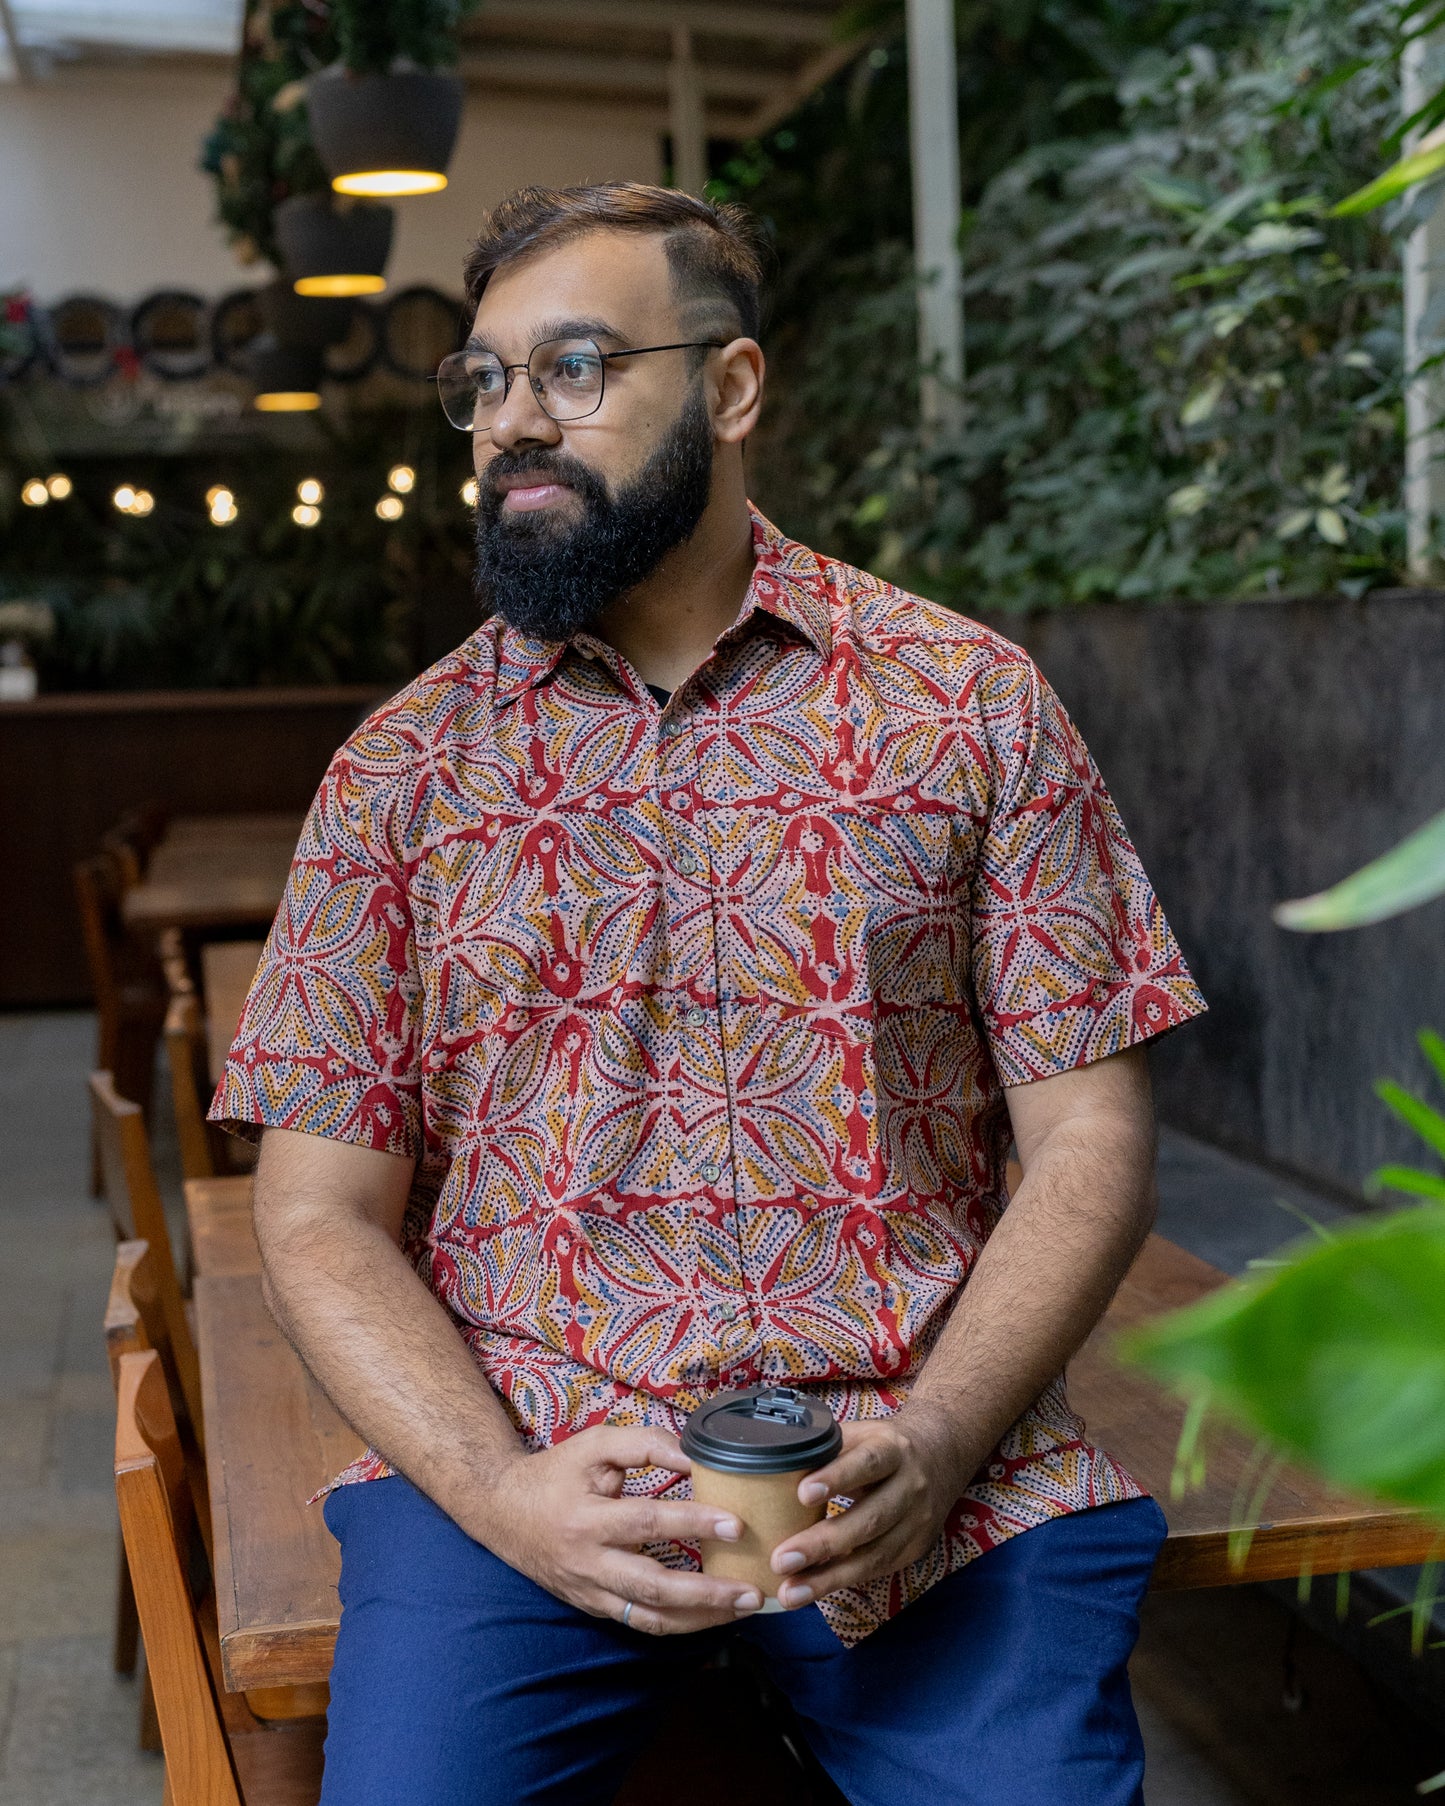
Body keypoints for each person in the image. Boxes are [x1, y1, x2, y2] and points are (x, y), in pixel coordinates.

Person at [213, 181, 1207, 1806]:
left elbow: (1091, 1135)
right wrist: (495, 1488)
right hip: (524, 1455)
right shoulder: (401, 768)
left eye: (578, 368)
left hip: (918, 1468)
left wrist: (944, 1433)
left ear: (732, 389)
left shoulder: (965, 705)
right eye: (487, 382)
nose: (514, 424)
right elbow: (318, 1212)